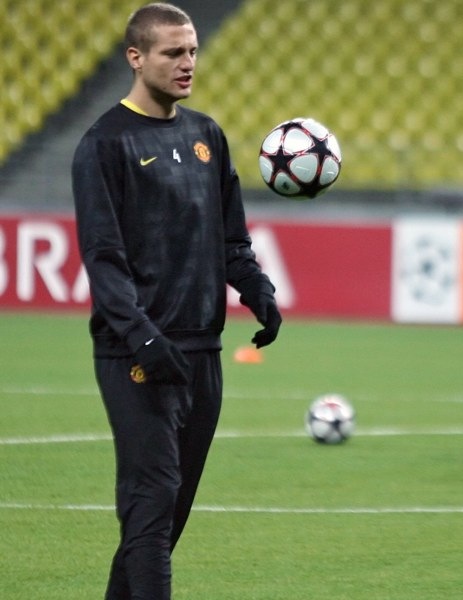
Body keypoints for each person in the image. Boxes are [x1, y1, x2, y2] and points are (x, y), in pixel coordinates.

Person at [71, 4, 282, 598]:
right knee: (152, 503)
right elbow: (103, 257)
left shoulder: (206, 135)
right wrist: (141, 335)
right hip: (137, 354)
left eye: (192, 50)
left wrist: (257, 289)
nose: (188, 62)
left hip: (202, 351)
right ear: (136, 58)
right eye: (173, 52)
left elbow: (231, 239)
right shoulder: (104, 144)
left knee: (167, 518)